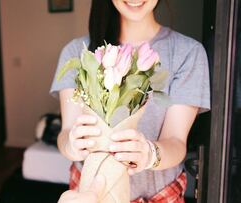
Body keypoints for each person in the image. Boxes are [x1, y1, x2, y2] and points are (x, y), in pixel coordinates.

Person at [50, 0, 210, 202]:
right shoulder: (76, 52)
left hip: (160, 196)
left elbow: (176, 142)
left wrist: (150, 154)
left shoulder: (187, 53)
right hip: (89, 194)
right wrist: (71, 146)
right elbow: (65, 134)